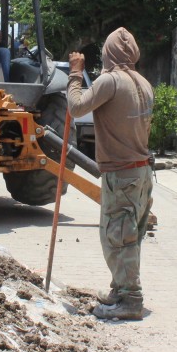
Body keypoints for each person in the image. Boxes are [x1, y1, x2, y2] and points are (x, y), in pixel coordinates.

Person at [67, 27, 154, 321]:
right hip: (141, 173)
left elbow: (76, 108)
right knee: (129, 235)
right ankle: (120, 288)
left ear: (109, 52)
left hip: (122, 175)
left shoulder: (110, 81)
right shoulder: (143, 82)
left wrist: (75, 75)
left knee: (117, 237)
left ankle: (130, 298)